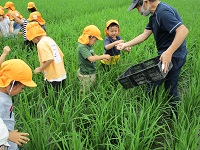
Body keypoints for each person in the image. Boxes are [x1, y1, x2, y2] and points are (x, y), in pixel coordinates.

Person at [117, 0, 188, 117]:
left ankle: (145, 115)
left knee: (153, 85)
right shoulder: (154, 15)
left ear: (145, 2)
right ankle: (174, 116)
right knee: (170, 87)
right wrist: (126, 44)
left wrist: (169, 52)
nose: (138, 11)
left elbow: (183, 30)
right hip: (171, 55)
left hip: (172, 57)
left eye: (138, 7)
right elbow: (144, 35)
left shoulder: (162, 13)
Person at [0, 48, 37, 149]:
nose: (22, 91)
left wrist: (4, 54)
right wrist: (7, 135)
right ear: (12, 83)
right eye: (22, 88)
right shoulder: (1, 101)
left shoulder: (3, 88)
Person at [26, 22, 66, 95]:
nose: (32, 41)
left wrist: (39, 69)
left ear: (35, 37)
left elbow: (49, 59)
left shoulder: (41, 44)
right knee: (60, 95)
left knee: (48, 96)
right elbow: (61, 54)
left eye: (31, 39)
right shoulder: (49, 39)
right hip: (61, 73)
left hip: (52, 76)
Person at [77, 25, 111, 94]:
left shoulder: (88, 46)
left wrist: (103, 57)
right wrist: (102, 56)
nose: (94, 42)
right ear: (89, 37)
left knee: (92, 88)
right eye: (94, 40)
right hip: (86, 74)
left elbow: (93, 55)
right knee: (85, 91)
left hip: (91, 71)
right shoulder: (82, 47)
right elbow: (91, 59)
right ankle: (84, 102)